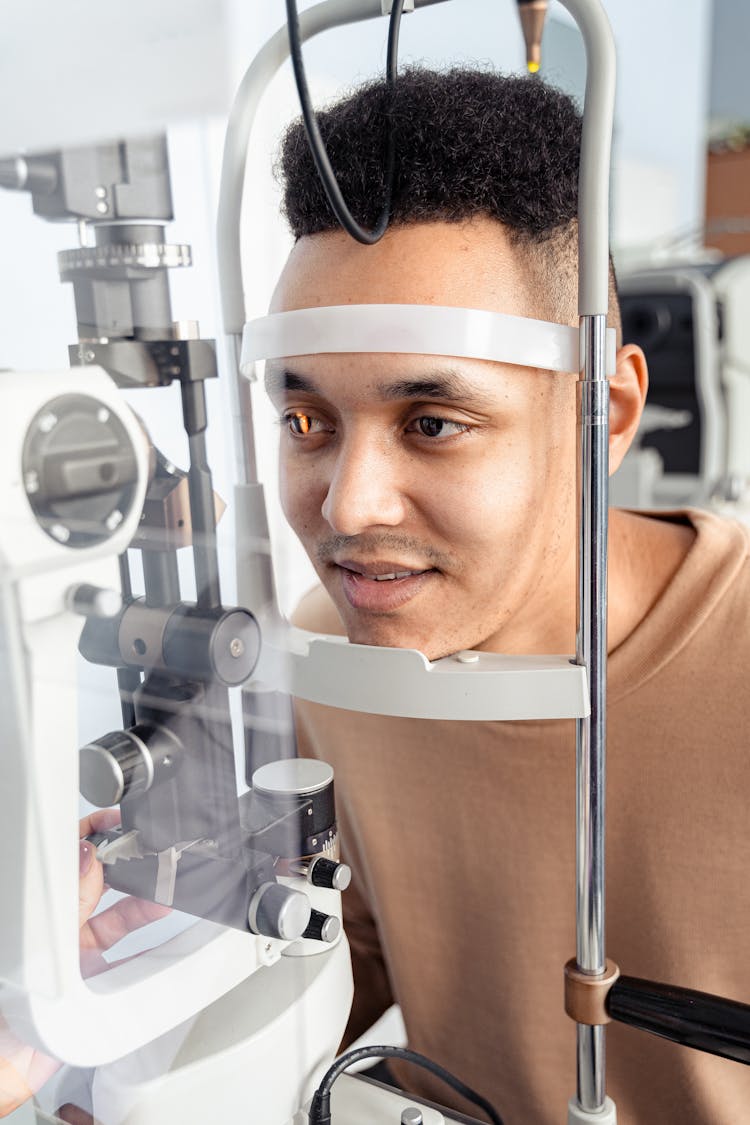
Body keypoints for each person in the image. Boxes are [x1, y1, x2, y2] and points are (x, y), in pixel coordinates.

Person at [271, 68, 750, 1124]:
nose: (348, 508)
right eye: (307, 421)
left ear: (610, 411)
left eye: (433, 422)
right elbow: (357, 977)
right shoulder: (336, 654)